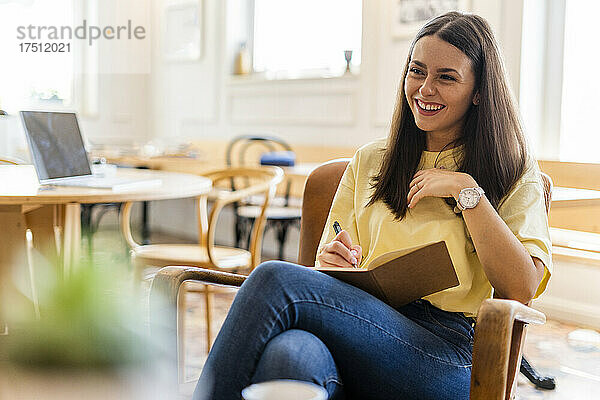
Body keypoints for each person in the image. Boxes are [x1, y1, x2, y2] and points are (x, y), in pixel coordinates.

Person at [193, 11, 552, 400]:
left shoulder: (512, 170)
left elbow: (520, 288)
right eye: (417, 71)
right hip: (361, 323)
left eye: (446, 77)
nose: (424, 89)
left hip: (449, 352)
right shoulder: (370, 161)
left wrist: (469, 194)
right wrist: (331, 263)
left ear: (479, 91)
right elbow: (333, 261)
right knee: (290, 354)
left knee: (273, 279)